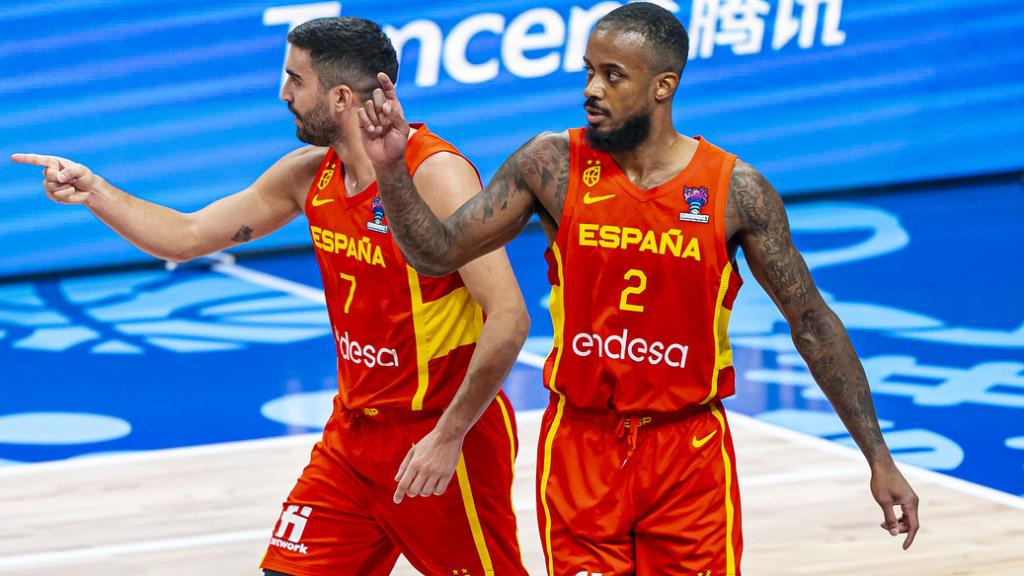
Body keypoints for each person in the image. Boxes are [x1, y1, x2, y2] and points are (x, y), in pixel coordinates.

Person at [357, 3, 920, 575]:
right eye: (588, 71)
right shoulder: (552, 164)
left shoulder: (736, 192)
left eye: (612, 75)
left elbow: (812, 325)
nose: (591, 89)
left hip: (687, 454)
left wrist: (879, 458)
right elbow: (436, 254)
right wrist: (391, 168)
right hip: (582, 448)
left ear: (662, 87)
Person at [12, 16, 530, 576]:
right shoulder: (309, 175)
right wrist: (95, 191)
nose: (283, 94)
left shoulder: (435, 174)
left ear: (338, 96)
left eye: (294, 79)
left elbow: (509, 316)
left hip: (440, 436)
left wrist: (447, 436)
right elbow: (186, 237)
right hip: (352, 438)